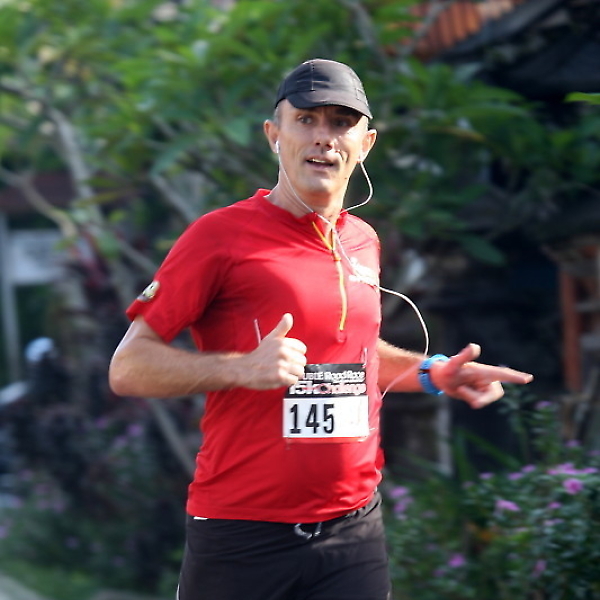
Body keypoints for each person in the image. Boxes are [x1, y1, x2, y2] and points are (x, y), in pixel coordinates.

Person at [109, 58, 533, 600]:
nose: (323, 137)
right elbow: (128, 368)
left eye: (340, 122)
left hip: (352, 530)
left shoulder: (363, 240)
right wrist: (242, 368)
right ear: (274, 134)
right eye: (306, 119)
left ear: (366, 143)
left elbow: (354, 358)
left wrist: (431, 373)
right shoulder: (219, 236)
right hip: (242, 534)